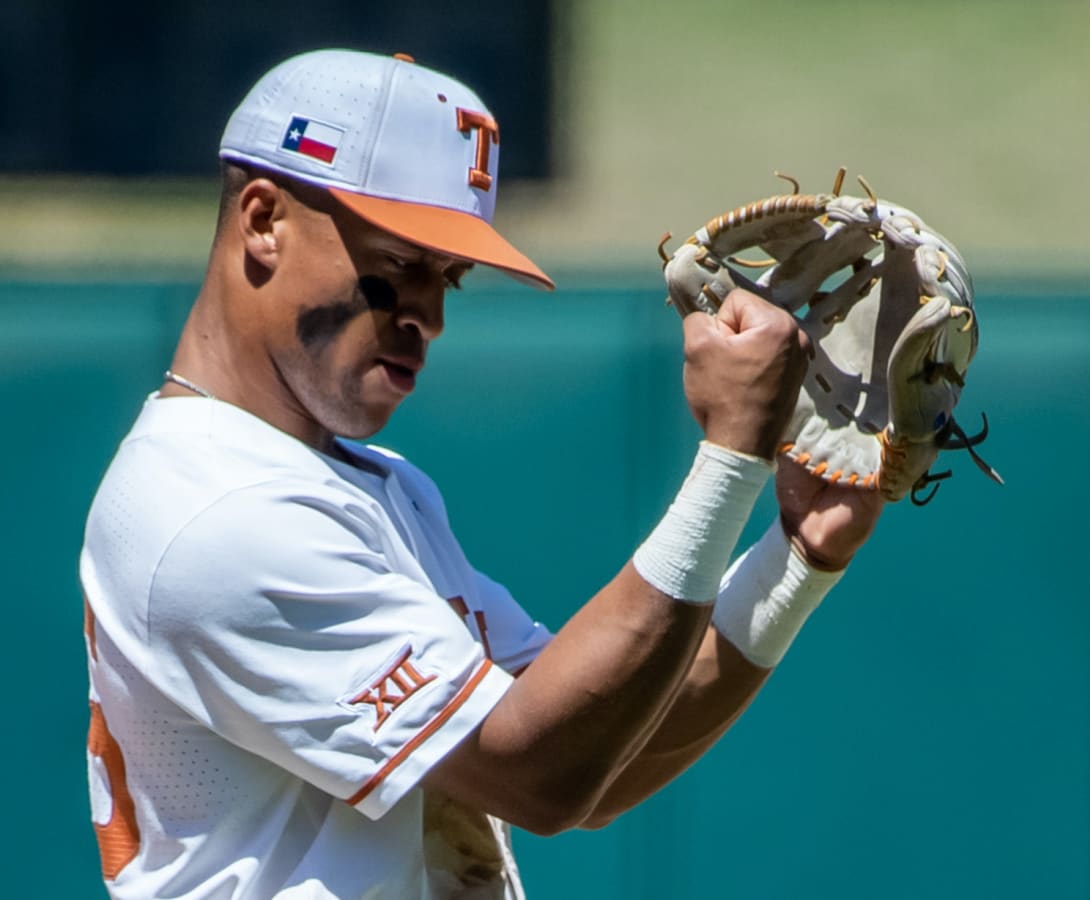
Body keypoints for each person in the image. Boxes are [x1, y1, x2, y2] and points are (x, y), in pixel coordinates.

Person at [80, 48, 883, 899]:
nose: (427, 314)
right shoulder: (219, 511)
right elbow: (538, 769)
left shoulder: (356, 482)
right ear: (263, 219)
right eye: (398, 267)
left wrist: (796, 557)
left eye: (448, 279)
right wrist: (728, 462)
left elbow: (601, 746)